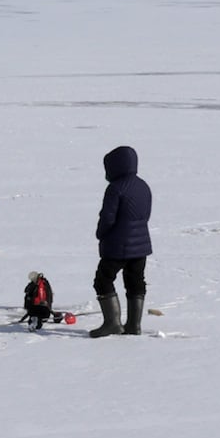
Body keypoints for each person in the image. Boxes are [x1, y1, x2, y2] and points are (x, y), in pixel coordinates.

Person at [90, 144, 153, 337]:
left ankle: (112, 323)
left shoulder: (115, 188)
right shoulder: (143, 186)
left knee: (103, 280)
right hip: (141, 246)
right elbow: (146, 215)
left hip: (118, 246)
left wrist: (100, 234)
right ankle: (134, 325)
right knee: (135, 281)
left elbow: (108, 218)